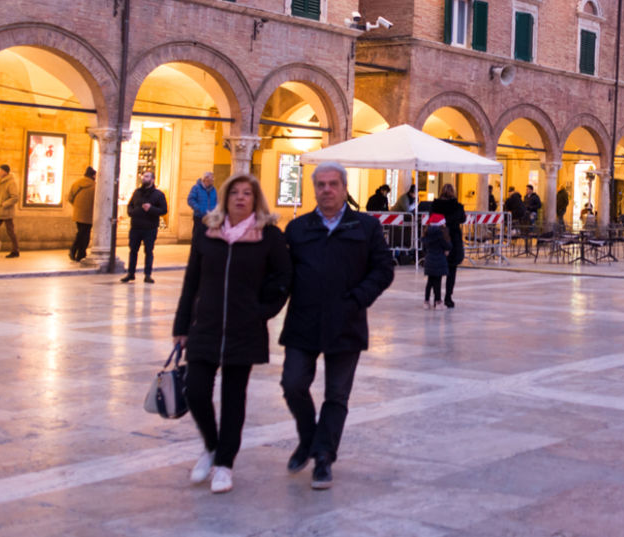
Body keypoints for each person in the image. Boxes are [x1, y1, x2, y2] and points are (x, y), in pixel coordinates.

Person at [174, 173, 291, 494]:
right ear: (225, 197)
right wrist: (181, 327)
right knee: (195, 391)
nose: (240, 197)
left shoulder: (268, 236)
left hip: (244, 329)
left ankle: (225, 464)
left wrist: (261, 311)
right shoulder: (207, 232)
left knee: (233, 399)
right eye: (235, 192)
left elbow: (283, 278)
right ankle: (212, 447)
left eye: (247, 193)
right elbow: (191, 281)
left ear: (256, 199)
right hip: (206, 326)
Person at [280, 161, 395, 489]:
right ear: (314, 189)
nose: (327, 190)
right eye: (321, 185)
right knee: (292, 383)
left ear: (345, 188)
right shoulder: (298, 228)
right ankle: (308, 438)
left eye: (333, 184)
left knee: (337, 395)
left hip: (346, 322)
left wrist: (358, 298)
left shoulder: (366, 226)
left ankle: (323, 457)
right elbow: (281, 274)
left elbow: (383, 268)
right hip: (303, 321)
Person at [121, 171, 168, 283]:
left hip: (150, 228)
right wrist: (132, 212)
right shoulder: (137, 192)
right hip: (136, 227)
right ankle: (131, 273)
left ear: (152, 180)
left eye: (147, 176)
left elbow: (164, 210)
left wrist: (151, 209)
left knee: (148, 251)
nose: (144, 178)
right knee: (133, 250)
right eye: (143, 176)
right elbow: (130, 205)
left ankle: (147, 274)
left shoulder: (158, 194)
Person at [429, 183, 465, 308]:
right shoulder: (457, 206)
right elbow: (463, 219)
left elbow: (431, 218)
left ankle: (437, 298)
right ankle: (448, 298)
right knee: (452, 270)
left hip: (438, 239)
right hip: (453, 240)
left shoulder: (435, 205)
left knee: (437, 271)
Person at [421, 213, 450, 309]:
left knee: (429, 282)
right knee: (438, 282)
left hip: (429, 260)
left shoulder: (426, 233)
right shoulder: (441, 234)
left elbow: (424, 248)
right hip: (439, 260)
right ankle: (438, 302)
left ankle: (426, 301)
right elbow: (447, 246)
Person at [67, 167, 96, 262]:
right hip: (89, 215)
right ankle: (77, 251)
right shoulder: (95, 186)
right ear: (93, 175)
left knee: (81, 232)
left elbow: (70, 198)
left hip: (78, 214)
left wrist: (77, 206)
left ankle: (80, 253)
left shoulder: (76, 183)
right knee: (85, 234)